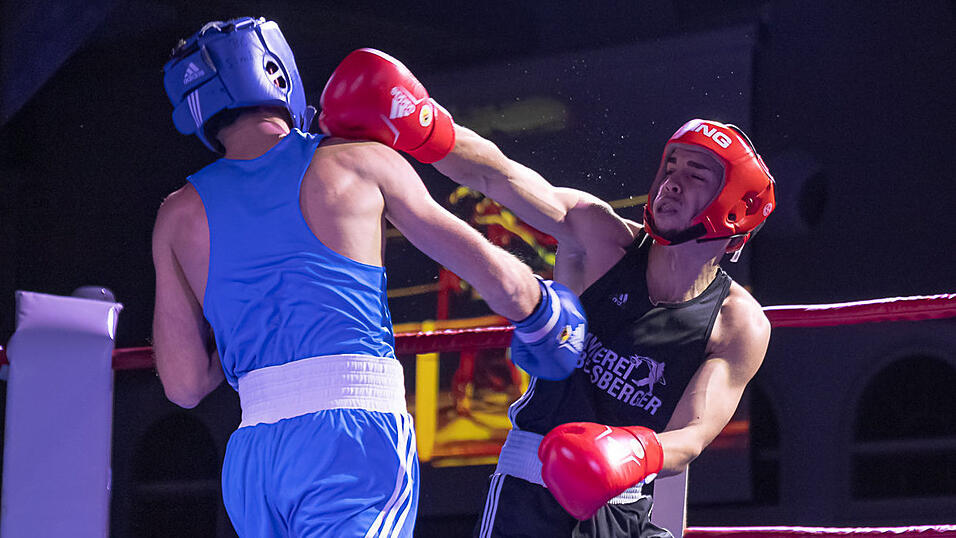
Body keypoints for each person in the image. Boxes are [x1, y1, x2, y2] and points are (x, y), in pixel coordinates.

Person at [152, 18, 587, 538]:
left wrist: (259, 316)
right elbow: (492, 275)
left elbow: (183, 386)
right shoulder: (358, 162)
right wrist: (546, 309)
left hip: (254, 457)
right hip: (352, 438)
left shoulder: (176, 215)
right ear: (275, 70)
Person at [318, 48, 775, 537]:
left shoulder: (738, 324)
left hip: (625, 506)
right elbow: (498, 175)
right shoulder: (601, 240)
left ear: (733, 209)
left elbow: (693, 434)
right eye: (672, 167)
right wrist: (422, 125)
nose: (672, 183)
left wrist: (626, 454)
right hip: (530, 489)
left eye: (695, 174)